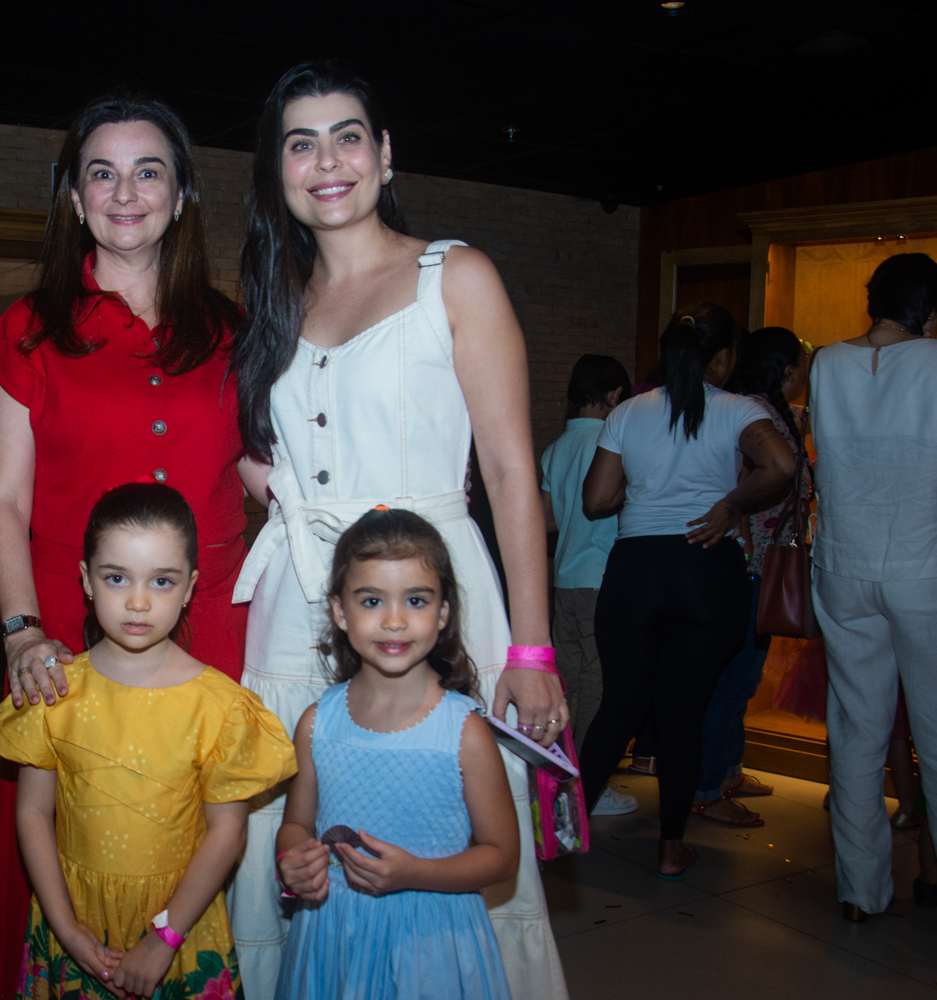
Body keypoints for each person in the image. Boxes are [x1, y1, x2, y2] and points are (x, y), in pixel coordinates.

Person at [228, 60, 569, 1000]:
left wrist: (532, 648)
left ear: (384, 154)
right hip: (303, 598)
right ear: (277, 171)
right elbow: (270, 453)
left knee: (450, 821)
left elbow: (511, 472)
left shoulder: (453, 275)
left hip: (431, 592)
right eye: (300, 144)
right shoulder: (276, 301)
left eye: (347, 137)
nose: (326, 162)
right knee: (290, 836)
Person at [0, 93, 251, 998]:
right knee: (69, 834)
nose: (125, 193)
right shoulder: (29, 332)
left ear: (182, 193)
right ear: (74, 197)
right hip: (68, 626)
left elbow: (260, 470)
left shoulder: (233, 332)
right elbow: (1, 495)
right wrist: (21, 630)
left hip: (211, 620)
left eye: (148, 171)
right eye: (102, 173)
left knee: (211, 834)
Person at [0, 483, 296, 999]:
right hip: (74, 921)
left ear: (189, 588)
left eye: (162, 581)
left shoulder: (221, 707)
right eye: (116, 577)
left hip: (179, 928)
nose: (137, 601)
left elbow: (227, 832)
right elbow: (33, 813)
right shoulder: (54, 693)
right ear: (87, 580)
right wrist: (65, 927)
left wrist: (164, 938)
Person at [578, 304, 796, 879]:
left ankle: (561, 835)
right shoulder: (737, 408)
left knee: (619, 707)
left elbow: (597, 500)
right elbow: (781, 463)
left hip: (636, 570)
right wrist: (729, 504)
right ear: (722, 357)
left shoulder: (628, 411)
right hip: (705, 566)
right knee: (684, 710)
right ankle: (671, 848)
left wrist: (645, 495)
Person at [808, 252, 937, 943]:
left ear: (872, 301)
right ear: (933, 310)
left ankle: (861, 892)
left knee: (857, 731)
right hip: (926, 568)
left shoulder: (826, 362)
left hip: (844, 565)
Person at [273, 509, 516, 1000]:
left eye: (416, 600)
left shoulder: (464, 731)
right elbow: (296, 823)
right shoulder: (317, 723)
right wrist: (291, 859)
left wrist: (416, 874)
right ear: (340, 611)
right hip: (334, 936)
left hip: (432, 943)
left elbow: (502, 857)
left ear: (443, 613)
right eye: (371, 600)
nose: (394, 620)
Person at [687, 327, 811, 826]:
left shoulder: (771, 413)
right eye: (802, 364)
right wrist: (740, 527)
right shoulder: (752, 414)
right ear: (786, 369)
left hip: (762, 562)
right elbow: (735, 482)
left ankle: (729, 771)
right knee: (734, 678)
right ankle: (706, 787)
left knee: (744, 676)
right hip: (748, 563)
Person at [539, 354, 637, 817]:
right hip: (602, 577)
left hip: (564, 579)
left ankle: (557, 779)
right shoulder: (615, 441)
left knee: (568, 684)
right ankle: (587, 787)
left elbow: (547, 519)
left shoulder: (556, 448)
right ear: (615, 395)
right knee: (600, 684)